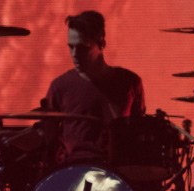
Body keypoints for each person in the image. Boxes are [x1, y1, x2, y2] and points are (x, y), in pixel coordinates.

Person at [44, 10, 145, 167]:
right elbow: (46, 138)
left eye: (83, 48)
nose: (74, 54)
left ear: (102, 44)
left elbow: (140, 134)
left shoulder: (130, 82)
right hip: (72, 173)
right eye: (70, 47)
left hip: (119, 173)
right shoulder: (59, 87)